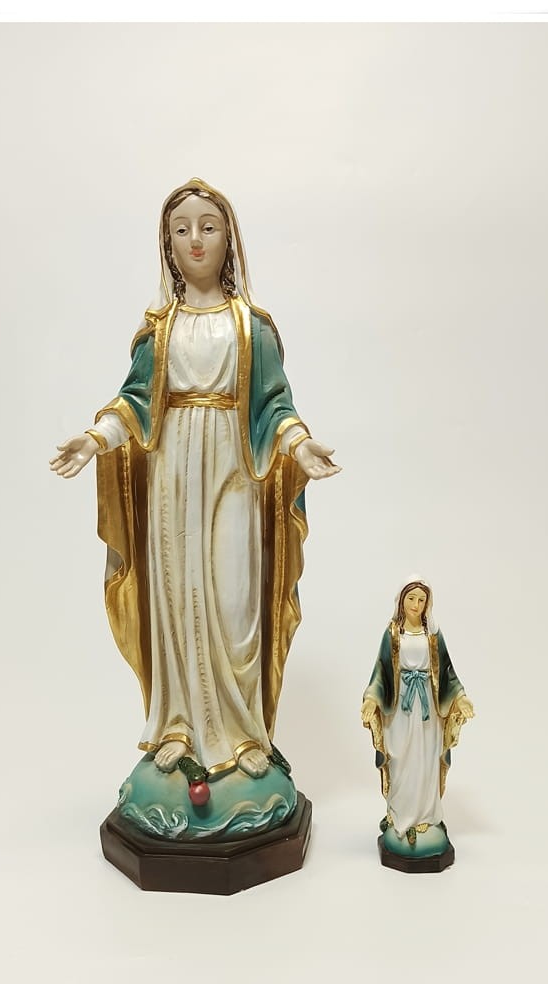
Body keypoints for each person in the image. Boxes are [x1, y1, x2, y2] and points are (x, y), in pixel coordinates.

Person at [50, 179, 340, 832]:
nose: (195, 240)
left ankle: (242, 736)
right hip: (173, 478)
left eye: (208, 226)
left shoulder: (250, 326)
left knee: (235, 603)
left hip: (232, 474)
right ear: (167, 244)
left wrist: (300, 445)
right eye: (181, 229)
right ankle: (178, 725)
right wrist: (94, 440)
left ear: (228, 237)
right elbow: (133, 402)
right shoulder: (160, 330)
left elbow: (274, 403)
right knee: (177, 599)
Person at [361, 578, 474, 853]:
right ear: (402, 600)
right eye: (411, 598)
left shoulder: (433, 635)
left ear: (427, 604)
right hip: (400, 708)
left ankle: (426, 818)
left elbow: (447, 671)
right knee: (401, 759)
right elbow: (380, 671)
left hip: (427, 712)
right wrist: (372, 699)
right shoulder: (392, 634)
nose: (416, 604)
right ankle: (399, 815)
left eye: (421, 600)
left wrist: (460, 697)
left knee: (425, 760)